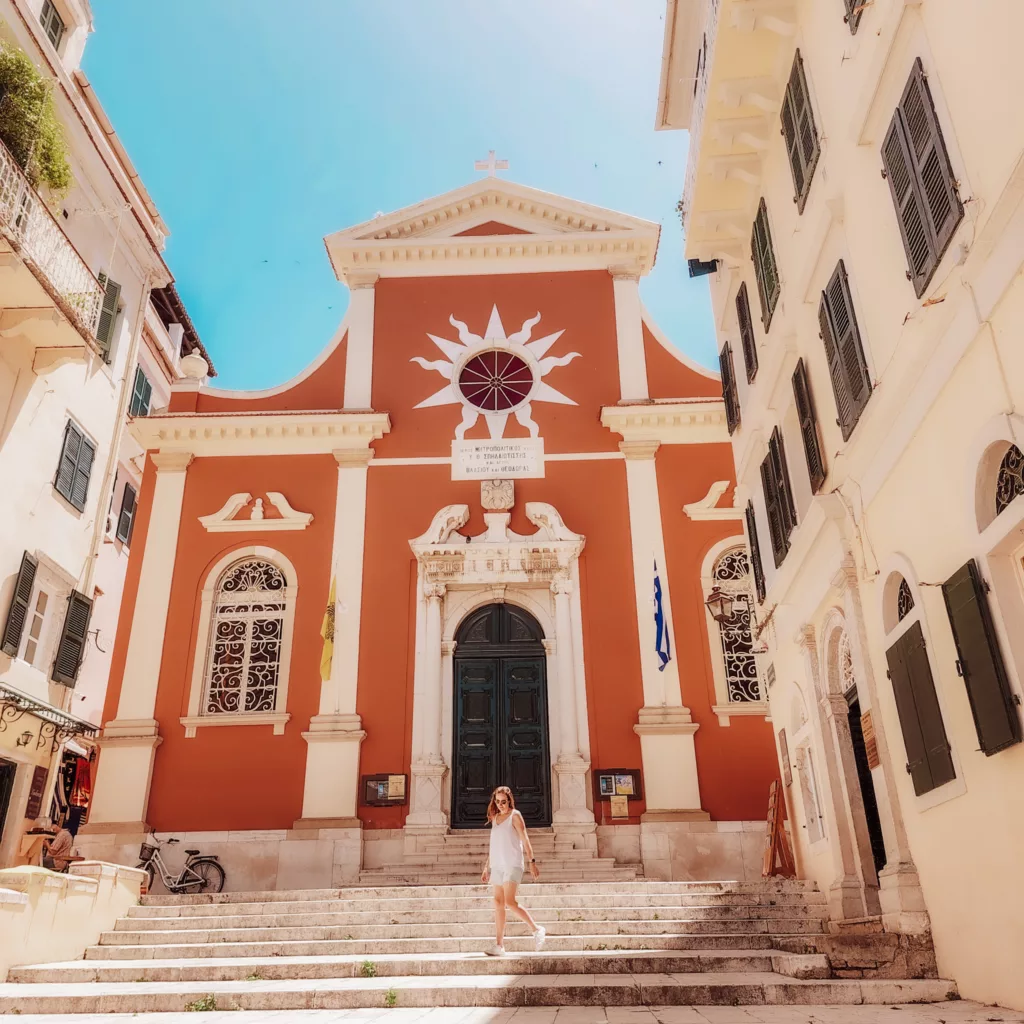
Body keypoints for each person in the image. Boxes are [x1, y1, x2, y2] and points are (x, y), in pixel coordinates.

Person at [481, 785, 545, 956]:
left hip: (513, 863)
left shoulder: (515, 816)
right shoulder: (495, 818)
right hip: (497, 865)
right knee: (498, 903)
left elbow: (525, 840)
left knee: (509, 902)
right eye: (498, 801)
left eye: (504, 801)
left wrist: (532, 862)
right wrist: (486, 867)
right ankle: (499, 945)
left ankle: (536, 929)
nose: (501, 804)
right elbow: (494, 845)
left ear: (509, 800)